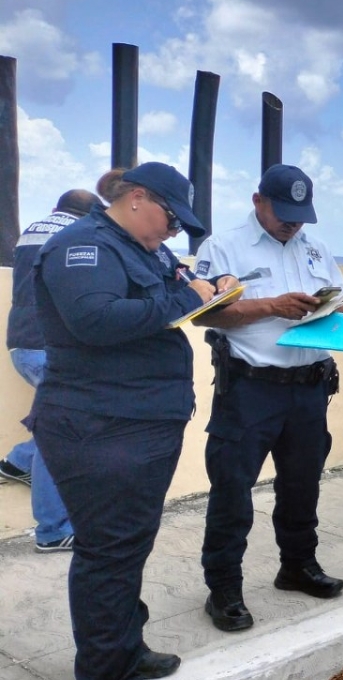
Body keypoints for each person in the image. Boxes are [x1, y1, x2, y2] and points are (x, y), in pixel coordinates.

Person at [30, 162, 227, 680]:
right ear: (137, 197)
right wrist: (189, 298)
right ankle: (104, 667)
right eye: (171, 217)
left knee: (127, 546)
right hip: (100, 425)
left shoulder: (147, 247)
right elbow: (95, 320)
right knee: (108, 551)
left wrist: (212, 287)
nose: (174, 230)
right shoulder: (85, 245)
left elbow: (174, 287)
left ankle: (125, 649)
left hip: (139, 421)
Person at [193, 164, 343, 633]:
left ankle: (297, 565)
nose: (293, 224)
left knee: (302, 485)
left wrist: (329, 307)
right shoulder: (223, 247)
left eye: (301, 215)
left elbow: (341, 298)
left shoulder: (315, 249)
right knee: (232, 491)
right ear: (258, 200)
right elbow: (206, 316)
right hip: (250, 390)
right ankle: (223, 588)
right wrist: (272, 306)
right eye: (284, 213)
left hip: (309, 388)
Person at [2, 190, 100, 553]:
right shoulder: (77, 236)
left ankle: (18, 462)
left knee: (56, 423)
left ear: (57, 208)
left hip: (22, 345)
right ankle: (53, 530)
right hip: (51, 348)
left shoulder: (32, 230)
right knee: (60, 434)